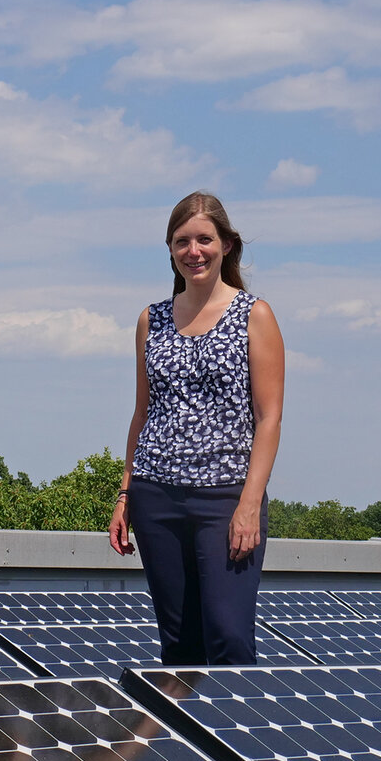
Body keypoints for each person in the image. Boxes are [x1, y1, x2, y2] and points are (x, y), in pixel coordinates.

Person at [107, 192, 285, 664]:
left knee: (228, 636)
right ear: (169, 249)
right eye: (182, 241)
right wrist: (126, 494)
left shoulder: (255, 315)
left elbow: (269, 419)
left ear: (226, 245)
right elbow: (142, 413)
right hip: (156, 497)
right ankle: (186, 739)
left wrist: (249, 505)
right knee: (180, 643)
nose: (194, 251)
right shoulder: (153, 320)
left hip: (225, 499)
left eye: (204, 239)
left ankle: (235, 735)